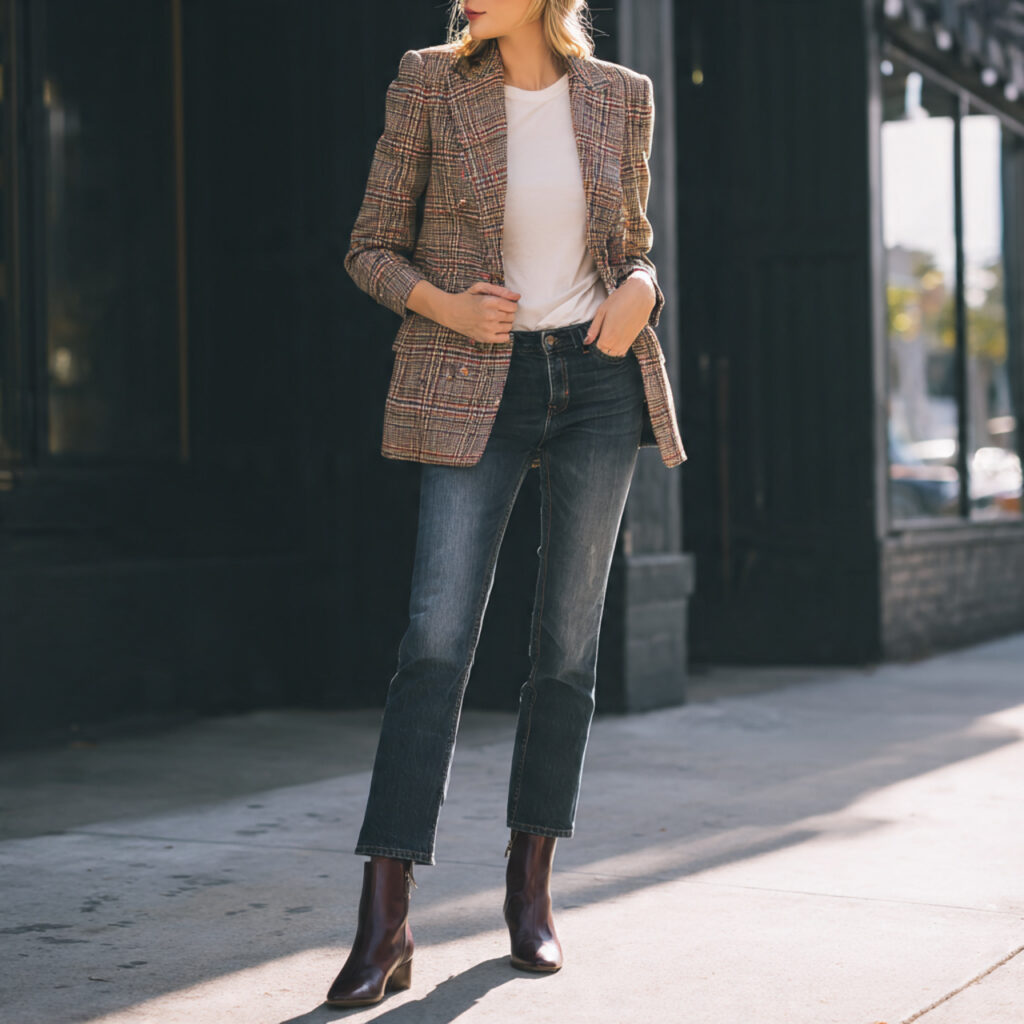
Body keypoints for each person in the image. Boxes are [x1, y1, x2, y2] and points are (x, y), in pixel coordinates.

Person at [326, 0, 687, 1007]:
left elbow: (635, 245)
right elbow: (368, 245)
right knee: (434, 639)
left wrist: (643, 291)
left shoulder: (622, 95)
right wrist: (445, 304)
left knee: (566, 646)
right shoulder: (429, 80)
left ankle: (530, 892)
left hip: (599, 383)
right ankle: (384, 917)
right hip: (472, 379)